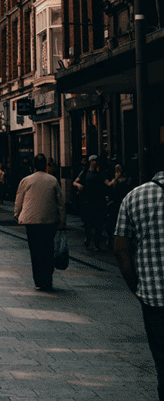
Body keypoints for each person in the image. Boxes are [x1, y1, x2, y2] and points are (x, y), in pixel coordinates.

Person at [114, 151, 164, 400]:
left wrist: (136, 286)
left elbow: (120, 250)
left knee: (163, 363)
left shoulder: (134, 197)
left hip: (154, 297)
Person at [14, 153, 65, 292]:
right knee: (48, 250)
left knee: (35, 251)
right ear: (45, 166)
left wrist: (17, 214)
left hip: (32, 221)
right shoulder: (53, 180)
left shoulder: (26, 180)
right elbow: (60, 202)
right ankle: (48, 280)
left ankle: (38, 281)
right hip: (49, 221)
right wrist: (62, 221)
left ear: (33, 166)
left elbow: (19, 199)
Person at [73, 154, 107, 251]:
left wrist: (116, 179)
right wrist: (78, 185)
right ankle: (88, 237)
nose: (96, 162)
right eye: (94, 160)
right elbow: (75, 182)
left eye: (97, 161)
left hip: (99, 201)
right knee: (89, 223)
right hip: (88, 201)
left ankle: (96, 244)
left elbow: (108, 183)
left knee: (98, 224)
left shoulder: (100, 174)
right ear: (90, 161)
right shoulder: (84, 173)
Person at [105, 162, 130, 249]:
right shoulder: (114, 180)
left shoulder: (127, 179)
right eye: (116, 169)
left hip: (125, 202)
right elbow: (112, 188)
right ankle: (110, 237)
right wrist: (116, 178)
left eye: (119, 169)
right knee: (112, 220)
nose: (117, 170)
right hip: (116, 202)